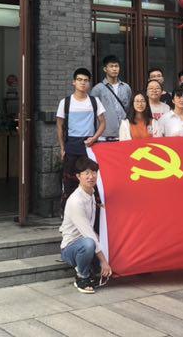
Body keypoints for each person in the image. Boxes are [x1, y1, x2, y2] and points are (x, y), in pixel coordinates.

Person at [59, 157, 113, 293]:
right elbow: (89, 234)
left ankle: (91, 269)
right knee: (89, 243)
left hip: (85, 240)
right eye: (86, 173)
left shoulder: (91, 193)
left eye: (94, 172)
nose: (91, 176)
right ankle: (82, 277)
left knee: (99, 241)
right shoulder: (76, 201)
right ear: (78, 176)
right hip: (71, 248)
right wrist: (104, 262)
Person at [56, 68, 106, 210]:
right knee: (70, 180)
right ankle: (68, 212)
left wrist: (94, 138)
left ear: (89, 83)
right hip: (71, 145)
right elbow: (59, 127)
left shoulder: (94, 101)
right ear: (74, 82)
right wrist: (62, 148)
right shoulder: (65, 102)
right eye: (79, 80)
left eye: (85, 80)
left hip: (89, 146)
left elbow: (103, 123)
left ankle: (94, 212)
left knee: (92, 179)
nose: (82, 83)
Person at [91, 55, 132, 142]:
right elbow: (93, 113)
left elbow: (129, 108)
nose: (114, 69)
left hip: (124, 134)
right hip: (105, 136)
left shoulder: (126, 87)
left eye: (116, 66)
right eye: (111, 66)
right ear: (105, 69)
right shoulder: (97, 89)